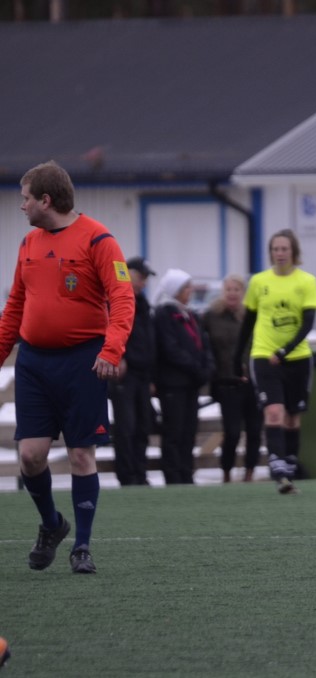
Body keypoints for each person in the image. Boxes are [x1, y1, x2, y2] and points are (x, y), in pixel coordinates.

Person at [0, 160, 135, 574]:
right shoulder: (28, 243)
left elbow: (123, 298)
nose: (21, 206)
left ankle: (82, 546)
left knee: (80, 455)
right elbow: (15, 306)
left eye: (25, 198)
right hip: (34, 363)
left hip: (83, 361)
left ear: (45, 200)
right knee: (30, 456)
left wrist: (111, 350)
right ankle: (52, 524)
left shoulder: (99, 239)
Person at [235, 229, 316, 495]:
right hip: (263, 355)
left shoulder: (306, 281)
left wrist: (285, 351)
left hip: (297, 358)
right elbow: (248, 323)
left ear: (293, 252)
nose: (280, 253)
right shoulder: (259, 281)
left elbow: (308, 324)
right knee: (274, 412)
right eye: (275, 249)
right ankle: (278, 469)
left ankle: (290, 465)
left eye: (284, 249)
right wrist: (237, 357)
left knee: (293, 418)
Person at [152, 268, 212, 485]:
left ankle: (187, 473)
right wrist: (196, 367)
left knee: (189, 431)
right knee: (174, 431)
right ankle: (173, 475)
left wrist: (207, 367)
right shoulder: (164, 314)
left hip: (191, 383)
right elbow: (171, 348)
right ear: (175, 290)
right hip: (173, 384)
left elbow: (203, 343)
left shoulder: (190, 315)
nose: (190, 290)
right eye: (186, 287)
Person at [203, 273, 263, 483]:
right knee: (232, 432)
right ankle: (226, 472)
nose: (232, 294)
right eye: (228, 289)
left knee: (254, 431)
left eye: (236, 290)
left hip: (252, 381)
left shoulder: (251, 316)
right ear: (223, 292)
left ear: (243, 293)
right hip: (226, 382)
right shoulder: (211, 316)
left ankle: (249, 473)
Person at [108, 256, 158, 487]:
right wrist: (118, 357)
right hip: (124, 375)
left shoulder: (143, 304)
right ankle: (127, 476)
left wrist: (151, 375)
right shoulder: (115, 300)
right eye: (141, 277)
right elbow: (110, 330)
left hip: (143, 374)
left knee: (143, 425)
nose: (144, 282)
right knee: (126, 427)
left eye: (145, 278)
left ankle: (140, 473)